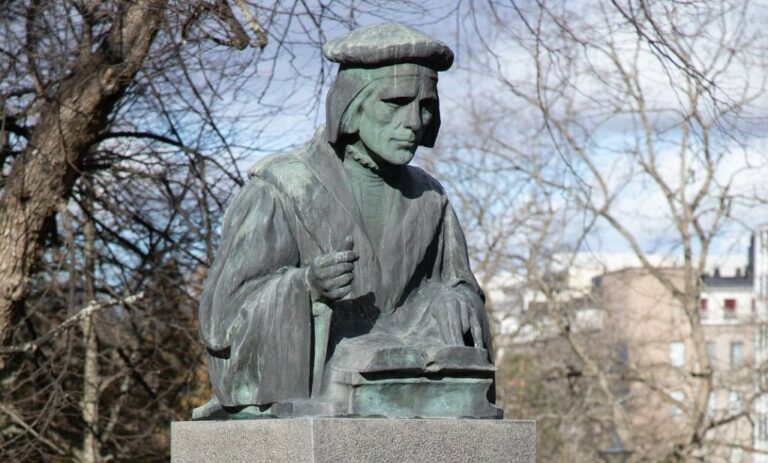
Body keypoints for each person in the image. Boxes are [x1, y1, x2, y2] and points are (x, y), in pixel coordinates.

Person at [195, 23, 496, 419]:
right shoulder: (283, 185)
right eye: (396, 102)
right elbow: (223, 317)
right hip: (326, 377)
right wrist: (306, 287)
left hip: (406, 368)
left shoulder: (431, 197)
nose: (413, 121)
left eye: (425, 106)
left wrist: (453, 299)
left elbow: (458, 284)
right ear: (351, 106)